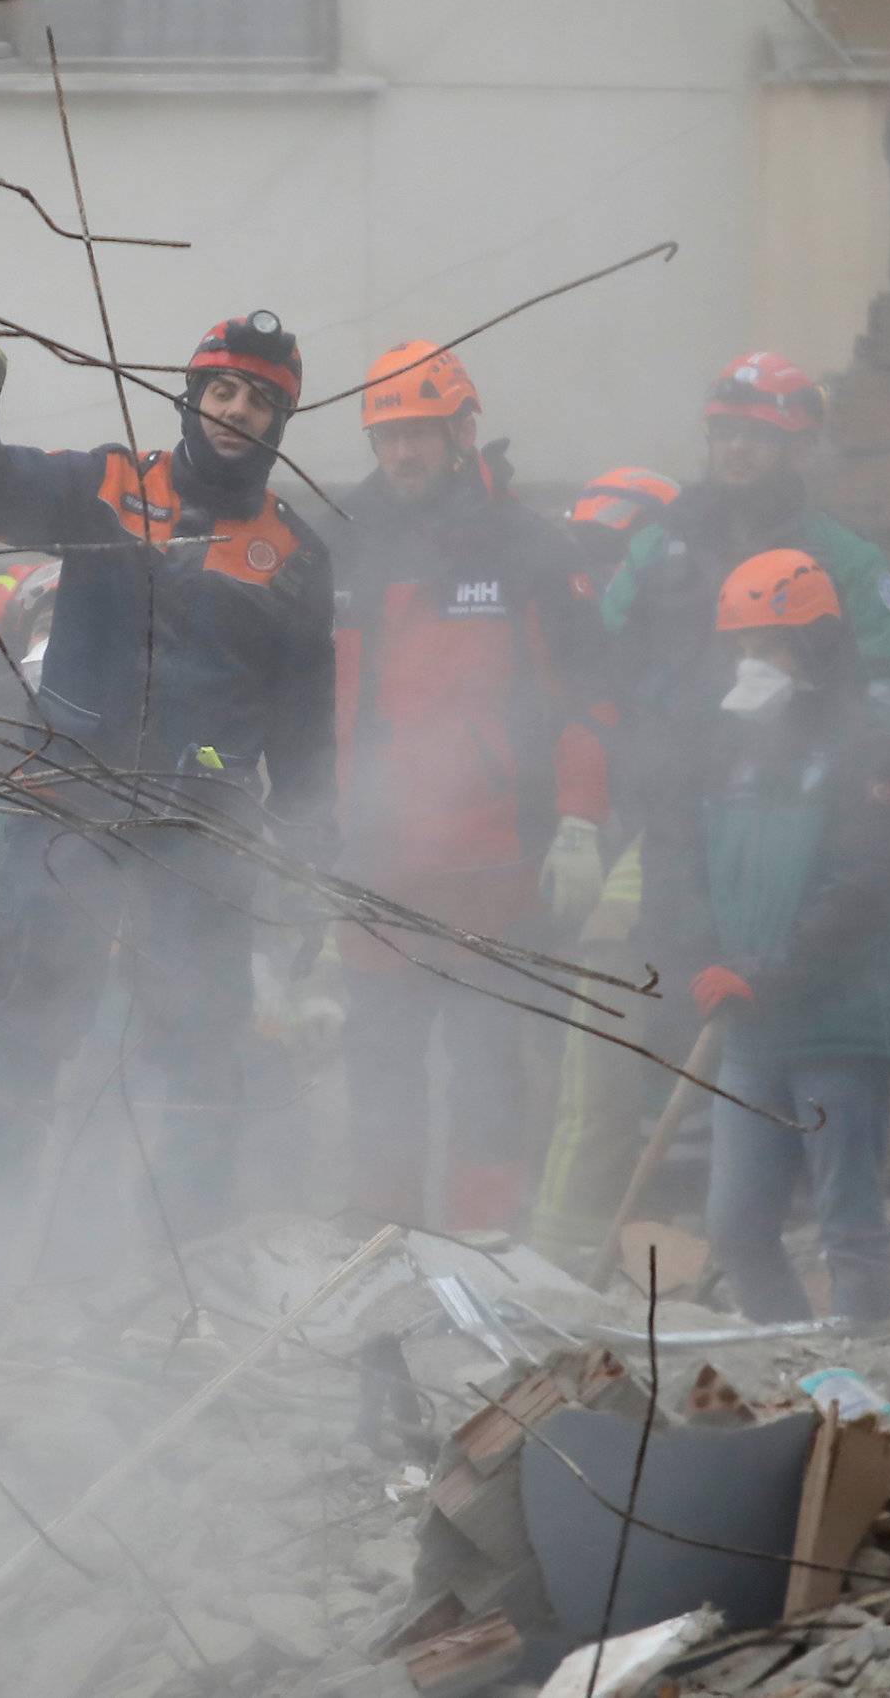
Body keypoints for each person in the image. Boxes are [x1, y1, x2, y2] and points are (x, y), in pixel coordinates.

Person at [0, 307, 336, 1244]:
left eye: (261, 402)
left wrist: (315, 852)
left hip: (203, 835)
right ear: (193, 398)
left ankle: (182, 1268)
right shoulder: (110, 485)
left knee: (199, 1053)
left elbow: (306, 723)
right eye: (222, 391)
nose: (236, 412)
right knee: (27, 1029)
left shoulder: (299, 556)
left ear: (280, 422)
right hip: (69, 809)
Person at [329, 340, 610, 1233]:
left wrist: (580, 820)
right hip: (375, 869)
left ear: (462, 430)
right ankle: (385, 1252)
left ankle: (485, 1248)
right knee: (378, 1071)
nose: (400, 454)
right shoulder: (342, 540)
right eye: (385, 436)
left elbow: (588, 698)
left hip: (496, 866)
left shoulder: (527, 546)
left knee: (491, 1069)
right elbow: (303, 704)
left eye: (416, 432)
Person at [601, 353, 890, 1036]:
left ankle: (767, 1125)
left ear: (797, 446)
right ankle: (682, 1133)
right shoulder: (659, 550)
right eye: (724, 432)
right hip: (674, 806)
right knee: (675, 975)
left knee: (780, 981)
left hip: (792, 813)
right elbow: (600, 670)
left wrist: (849, 782)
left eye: (758, 435)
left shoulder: (846, 559)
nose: (737, 449)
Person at [667, 549, 890, 1324]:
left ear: (815, 647)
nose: (752, 665)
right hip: (753, 1030)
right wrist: (708, 958)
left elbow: (863, 886)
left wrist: (768, 970)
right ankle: (785, 1361)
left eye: (770, 646)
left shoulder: (872, 751)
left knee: (847, 1221)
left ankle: (870, 1373)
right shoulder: (731, 753)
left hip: (840, 1024)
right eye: (742, 647)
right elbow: (699, 875)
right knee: (737, 1227)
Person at [530, 466, 682, 1259]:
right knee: (560, 1072)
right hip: (572, 864)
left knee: (613, 1070)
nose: (599, 571)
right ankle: (556, 1239)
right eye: (587, 551)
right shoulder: (568, 640)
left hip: (667, 852)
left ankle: (580, 1246)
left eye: (615, 551)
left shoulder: (676, 634)